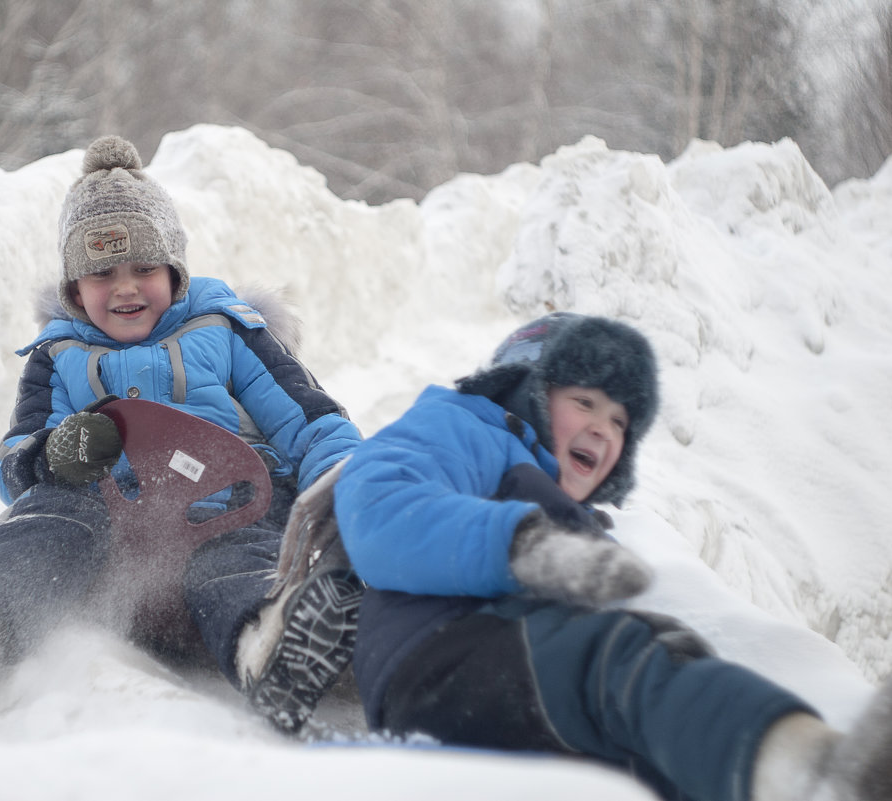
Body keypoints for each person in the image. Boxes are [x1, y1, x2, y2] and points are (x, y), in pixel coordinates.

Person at [0, 135, 364, 735]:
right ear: (73, 288)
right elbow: (13, 460)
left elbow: (313, 420)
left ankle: (271, 650)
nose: (125, 288)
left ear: (174, 271)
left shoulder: (226, 331)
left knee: (241, 560)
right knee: (41, 525)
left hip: (225, 516)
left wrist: (350, 484)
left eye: (145, 268)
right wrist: (53, 457)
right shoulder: (58, 356)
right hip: (106, 547)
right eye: (101, 273)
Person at [332, 312, 892, 801]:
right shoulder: (465, 426)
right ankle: (815, 781)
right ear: (530, 387)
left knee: (663, 748)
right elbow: (378, 507)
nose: (603, 426)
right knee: (630, 662)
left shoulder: (584, 524)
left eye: (621, 421)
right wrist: (530, 549)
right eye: (584, 401)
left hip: (521, 695)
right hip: (438, 660)